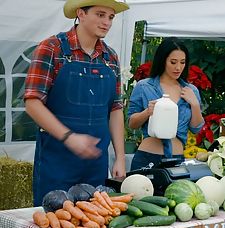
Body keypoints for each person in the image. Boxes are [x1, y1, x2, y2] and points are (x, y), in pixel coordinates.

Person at [24, 0, 129, 206]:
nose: (106, 22)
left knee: (94, 220)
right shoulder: (52, 48)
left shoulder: (111, 57)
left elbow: (116, 109)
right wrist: (70, 137)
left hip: (96, 165)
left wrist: (120, 157)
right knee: (55, 220)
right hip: (56, 163)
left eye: (110, 17)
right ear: (81, 14)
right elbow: (32, 103)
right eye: (100, 15)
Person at [128, 37, 205, 170]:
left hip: (177, 160)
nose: (178, 67)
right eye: (173, 62)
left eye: (182, 62)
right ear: (163, 60)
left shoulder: (190, 90)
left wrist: (195, 104)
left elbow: (196, 128)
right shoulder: (144, 86)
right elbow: (131, 123)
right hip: (147, 158)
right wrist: (147, 112)